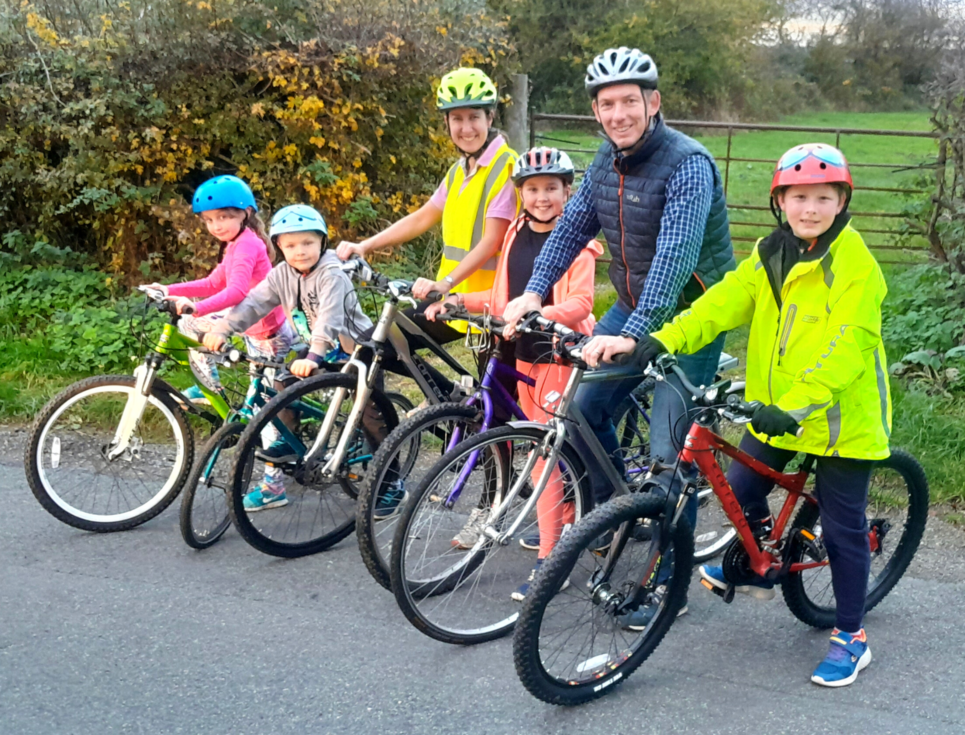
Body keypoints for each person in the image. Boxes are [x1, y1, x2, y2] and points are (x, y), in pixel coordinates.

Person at [631, 143, 890, 687]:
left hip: (839, 417)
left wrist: (794, 406)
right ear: (781, 203)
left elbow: (850, 342)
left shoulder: (856, 264)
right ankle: (760, 560)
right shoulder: (771, 252)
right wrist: (664, 337)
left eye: (824, 197)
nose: (810, 209)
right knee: (740, 486)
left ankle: (851, 637)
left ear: (842, 202)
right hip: (775, 410)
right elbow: (722, 300)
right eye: (799, 198)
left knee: (843, 530)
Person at [502, 47, 736, 564]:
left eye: (630, 101)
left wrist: (636, 333)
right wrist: (534, 291)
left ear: (653, 102)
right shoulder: (605, 161)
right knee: (584, 410)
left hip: (693, 316)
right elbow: (571, 228)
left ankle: (665, 577)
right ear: (596, 112)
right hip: (633, 305)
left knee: (667, 453)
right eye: (608, 104)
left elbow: (674, 257)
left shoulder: (688, 164)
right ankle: (615, 511)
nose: (619, 114)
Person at [424, 147, 602, 599]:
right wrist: (459, 301)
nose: (542, 198)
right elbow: (505, 297)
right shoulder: (516, 232)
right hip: (521, 352)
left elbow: (581, 304)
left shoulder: (577, 241)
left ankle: (549, 560)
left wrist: (537, 311)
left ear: (568, 192)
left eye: (551, 189)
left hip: (558, 354)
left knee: (543, 454)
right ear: (520, 194)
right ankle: (563, 521)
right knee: (545, 449)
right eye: (533, 189)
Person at [337, 67, 519, 398]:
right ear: (447, 123)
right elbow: (423, 217)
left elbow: (492, 240)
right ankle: (451, 403)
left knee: (497, 414)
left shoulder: (504, 168)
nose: (466, 128)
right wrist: (366, 245)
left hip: (488, 304)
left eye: (474, 117)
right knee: (380, 343)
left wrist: (445, 283)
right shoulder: (459, 170)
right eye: (457, 119)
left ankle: (467, 415)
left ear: (490, 117)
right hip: (450, 303)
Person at [203, 204, 377, 511]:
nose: (300, 251)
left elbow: (330, 316)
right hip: (315, 348)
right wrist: (225, 327)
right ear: (279, 247)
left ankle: (390, 482)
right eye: (291, 245)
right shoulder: (280, 274)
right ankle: (288, 442)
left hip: (354, 346)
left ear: (322, 242)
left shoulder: (332, 272)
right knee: (283, 380)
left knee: (369, 411)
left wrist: (314, 355)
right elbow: (254, 302)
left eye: (308, 243)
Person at [143, 175, 295, 402]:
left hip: (266, 333)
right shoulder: (235, 242)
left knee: (263, 414)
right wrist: (168, 289)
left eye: (223, 217)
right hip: (248, 319)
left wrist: (196, 306)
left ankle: (276, 438)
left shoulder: (246, 244)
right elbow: (214, 283)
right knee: (189, 323)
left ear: (246, 214)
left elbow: (237, 292)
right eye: (209, 220)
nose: (216, 226)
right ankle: (208, 387)